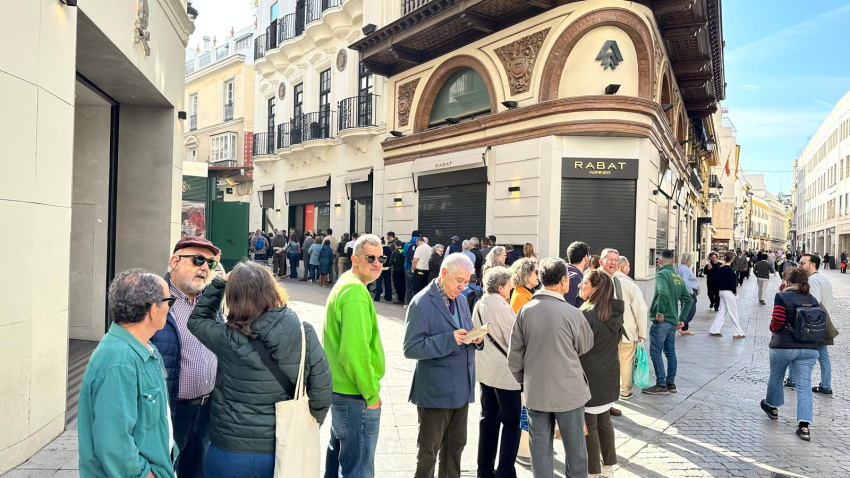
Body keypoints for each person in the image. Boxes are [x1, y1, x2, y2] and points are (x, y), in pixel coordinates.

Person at [187, 262, 332, 478]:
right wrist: (311, 423)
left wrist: (219, 283)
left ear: (233, 297)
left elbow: (197, 320)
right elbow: (322, 391)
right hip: (280, 448)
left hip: (229, 449)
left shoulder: (226, 338)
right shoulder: (303, 332)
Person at [78, 269, 178, 478]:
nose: (169, 307)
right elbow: (115, 446)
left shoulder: (142, 350)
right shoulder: (119, 362)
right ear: (153, 309)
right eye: (169, 300)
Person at [508, 258, 594, 478]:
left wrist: (526, 379)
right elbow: (585, 346)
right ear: (564, 281)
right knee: (576, 452)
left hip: (537, 391)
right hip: (569, 392)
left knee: (540, 452)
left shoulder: (525, 311)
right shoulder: (573, 313)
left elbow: (514, 357)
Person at [404, 253, 483, 478]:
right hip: (435, 392)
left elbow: (463, 330)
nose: (463, 286)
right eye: (459, 280)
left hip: (461, 388)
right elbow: (411, 348)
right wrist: (450, 339)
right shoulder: (421, 302)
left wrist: (475, 338)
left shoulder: (459, 297)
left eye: (467, 281)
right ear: (444, 273)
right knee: (428, 452)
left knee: (455, 448)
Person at [150, 237, 222, 478]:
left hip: (206, 410)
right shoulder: (154, 301)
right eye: (198, 260)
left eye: (210, 264)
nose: (204, 268)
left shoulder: (211, 303)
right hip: (169, 411)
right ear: (175, 262)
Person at [324, 234, 387, 478]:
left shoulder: (347, 283)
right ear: (355, 259)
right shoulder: (355, 292)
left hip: (343, 392)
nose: (377, 262)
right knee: (358, 469)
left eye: (380, 257)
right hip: (355, 395)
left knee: (339, 459)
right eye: (370, 257)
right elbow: (355, 352)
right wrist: (371, 394)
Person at [760, 267, 821, 441]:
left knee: (777, 376)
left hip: (784, 346)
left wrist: (772, 328)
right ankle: (804, 426)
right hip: (809, 348)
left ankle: (772, 407)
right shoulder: (812, 299)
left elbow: (777, 321)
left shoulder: (782, 296)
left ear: (787, 281)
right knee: (804, 385)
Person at [472, 267, 521, 478]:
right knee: (511, 423)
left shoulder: (480, 303)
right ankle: (505, 472)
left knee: (488, 419)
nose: (510, 290)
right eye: (509, 286)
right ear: (500, 287)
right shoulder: (501, 307)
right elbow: (514, 340)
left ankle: (484, 469)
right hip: (504, 374)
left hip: (486, 371)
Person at [578, 270, 624, 477]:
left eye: (583, 283)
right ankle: (608, 466)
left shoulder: (587, 314)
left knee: (590, 425)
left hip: (589, 376)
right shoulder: (614, 311)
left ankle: (593, 471)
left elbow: (576, 347)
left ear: (595, 288)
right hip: (609, 374)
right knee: (604, 421)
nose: (580, 285)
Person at [599, 249, 647, 401]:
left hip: (605, 334)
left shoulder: (595, 280)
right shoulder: (629, 284)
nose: (613, 262)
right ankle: (625, 392)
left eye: (615, 259)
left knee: (607, 363)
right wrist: (642, 332)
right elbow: (641, 310)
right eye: (609, 259)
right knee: (625, 363)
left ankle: (607, 392)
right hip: (626, 333)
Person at [644, 249, 693, 395]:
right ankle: (670, 383)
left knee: (655, 351)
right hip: (672, 320)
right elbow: (688, 299)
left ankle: (661, 384)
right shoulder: (677, 276)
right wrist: (682, 318)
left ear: (659, 262)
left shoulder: (661, 274)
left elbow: (663, 293)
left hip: (663, 320)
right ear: (673, 262)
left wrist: (659, 312)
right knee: (670, 352)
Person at [507, 257, 538, 465]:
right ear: (526, 275)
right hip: (526, 363)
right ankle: (524, 450)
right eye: (535, 272)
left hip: (529, 362)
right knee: (525, 408)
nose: (538, 275)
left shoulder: (525, 295)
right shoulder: (521, 298)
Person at [796, 254, 836, 394]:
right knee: (823, 355)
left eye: (803, 263)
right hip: (823, 322)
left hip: (815, 324)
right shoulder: (823, 279)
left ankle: (793, 380)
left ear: (812, 265)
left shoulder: (812, 281)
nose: (800, 265)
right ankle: (825, 385)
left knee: (799, 352)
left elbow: (813, 303)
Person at [709, 251, 745, 338]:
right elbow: (731, 282)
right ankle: (737, 332)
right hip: (728, 292)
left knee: (722, 311)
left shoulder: (721, 268)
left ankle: (714, 330)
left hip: (721, 291)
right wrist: (735, 291)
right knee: (733, 312)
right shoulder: (729, 269)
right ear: (732, 259)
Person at [677, 252, 699, 335]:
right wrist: (691, 291)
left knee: (685, 309)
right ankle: (680, 325)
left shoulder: (682, 268)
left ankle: (684, 328)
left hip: (685, 291)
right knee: (691, 310)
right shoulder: (685, 269)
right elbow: (685, 281)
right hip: (688, 292)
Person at [564, 241, 591, 307]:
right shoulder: (575, 278)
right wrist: (583, 298)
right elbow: (569, 308)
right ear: (585, 258)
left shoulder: (564, 272)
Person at [373, 237, 394, 302]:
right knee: (387, 282)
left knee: (379, 282)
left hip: (379, 268)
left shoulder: (378, 249)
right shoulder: (388, 249)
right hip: (387, 268)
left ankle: (377, 297)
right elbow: (391, 257)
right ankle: (388, 297)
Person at [403, 230, 421, 306]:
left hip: (408, 267)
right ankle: (416, 303)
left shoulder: (407, 244)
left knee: (408, 286)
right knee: (416, 286)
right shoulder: (420, 244)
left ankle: (408, 303)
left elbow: (404, 254)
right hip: (417, 268)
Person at [390, 239, 407, 304]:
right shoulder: (404, 252)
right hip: (403, 270)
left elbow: (391, 262)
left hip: (396, 270)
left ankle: (400, 299)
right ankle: (403, 297)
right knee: (403, 284)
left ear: (396, 246)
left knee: (397, 285)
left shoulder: (395, 252)